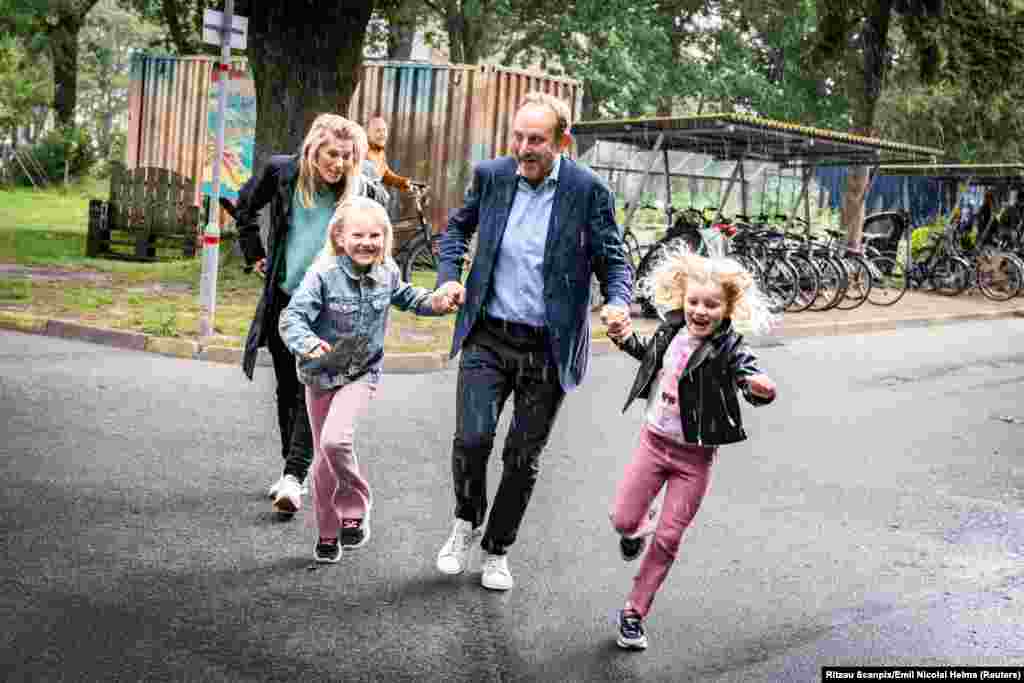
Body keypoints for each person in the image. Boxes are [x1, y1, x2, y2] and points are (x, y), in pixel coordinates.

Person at [430, 91, 634, 591]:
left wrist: (618, 300)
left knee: (522, 456)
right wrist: (447, 275)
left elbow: (613, 258)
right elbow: (457, 231)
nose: (524, 147)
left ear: (562, 141)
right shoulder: (492, 176)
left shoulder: (588, 190)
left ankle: (498, 549)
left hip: (548, 345)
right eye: (518, 137)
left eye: (536, 140)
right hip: (488, 334)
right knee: (472, 439)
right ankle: (466, 522)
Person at [606, 248, 777, 651]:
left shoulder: (729, 347)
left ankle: (634, 613)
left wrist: (760, 388)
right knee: (622, 519)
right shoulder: (671, 330)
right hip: (653, 444)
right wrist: (624, 338)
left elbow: (750, 374)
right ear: (683, 301)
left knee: (668, 540)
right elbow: (648, 355)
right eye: (694, 302)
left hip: (693, 459)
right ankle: (635, 529)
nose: (701, 311)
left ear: (728, 308)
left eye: (711, 305)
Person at [278, 196, 459, 562]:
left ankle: (356, 507)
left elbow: (407, 296)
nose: (367, 243)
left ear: (385, 239)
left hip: (362, 371)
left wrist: (436, 303)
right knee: (323, 460)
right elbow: (291, 317)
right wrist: (308, 342)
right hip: (320, 373)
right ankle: (329, 533)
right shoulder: (323, 275)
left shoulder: (387, 271)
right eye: (358, 235)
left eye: (376, 235)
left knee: (334, 442)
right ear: (340, 238)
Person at [234, 114, 386, 518]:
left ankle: (294, 473)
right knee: (287, 386)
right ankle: (294, 468)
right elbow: (244, 207)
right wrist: (255, 255)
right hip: (286, 298)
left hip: (331, 305)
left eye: (347, 155)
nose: (339, 164)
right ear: (313, 151)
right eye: (332, 154)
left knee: (313, 381)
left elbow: (381, 227)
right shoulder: (282, 173)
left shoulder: (363, 185)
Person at [365, 116, 413, 194]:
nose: (382, 134)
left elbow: (384, 174)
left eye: (384, 130)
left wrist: (403, 182)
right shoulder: (363, 150)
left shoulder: (379, 151)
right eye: (378, 131)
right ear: (368, 133)